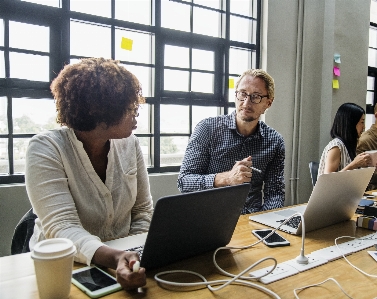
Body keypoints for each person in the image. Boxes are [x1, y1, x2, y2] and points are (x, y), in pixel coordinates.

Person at [25, 58, 153, 289]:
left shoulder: (130, 144)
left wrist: (132, 254)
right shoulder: (46, 149)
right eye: (129, 108)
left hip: (123, 263)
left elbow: (142, 210)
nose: (136, 114)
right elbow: (62, 227)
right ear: (101, 113)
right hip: (61, 269)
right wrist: (115, 257)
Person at [177, 69, 285, 214]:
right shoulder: (207, 129)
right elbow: (184, 182)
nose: (246, 103)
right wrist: (227, 178)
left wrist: (264, 222)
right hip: (209, 217)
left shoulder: (275, 141)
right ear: (235, 95)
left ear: (268, 103)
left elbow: (275, 193)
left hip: (251, 220)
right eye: (242, 94)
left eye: (256, 96)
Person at [318, 103, 377, 177]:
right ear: (351, 124)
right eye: (362, 122)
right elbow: (327, 181)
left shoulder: (351, 145)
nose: (364, 127)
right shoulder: (336, 147)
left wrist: (371, 169)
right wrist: (355, 164)